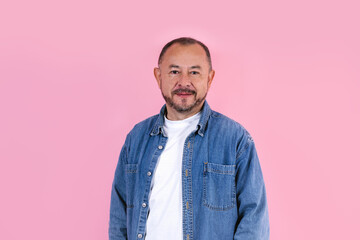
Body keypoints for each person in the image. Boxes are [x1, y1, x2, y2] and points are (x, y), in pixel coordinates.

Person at [109, 37, 269, 240]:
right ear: (158, 76)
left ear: (209, 78)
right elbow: (119, 215)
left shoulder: (235, 139)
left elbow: (254, 219)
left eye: (194, 72)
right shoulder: (137, 138)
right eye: (174, 71)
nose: (184, 82)